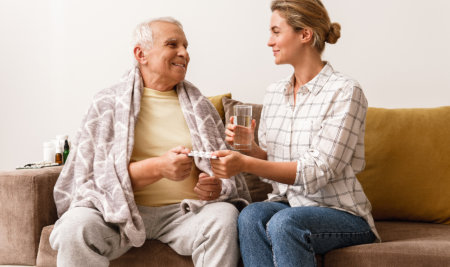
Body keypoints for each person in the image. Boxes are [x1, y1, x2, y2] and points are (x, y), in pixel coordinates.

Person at [49, 17, 250, 267]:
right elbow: (91, 178)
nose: (184, 53)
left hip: (185, 214)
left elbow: (225, 173)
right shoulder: (107, 104)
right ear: (141, 53)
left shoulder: (202, 107)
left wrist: (216, 188)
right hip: (116, 213)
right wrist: (158, 168)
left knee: (224, 216)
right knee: (75, 227)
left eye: (186, 46)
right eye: (172, 44)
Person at [210, 1, 380, 266]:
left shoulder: (345, 91)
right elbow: (273, 159)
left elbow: (318, 170)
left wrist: (245, 163)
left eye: (276, 31)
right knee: (250, 215)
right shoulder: (275, 93)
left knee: (285, 223)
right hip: (289, 204)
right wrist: (250, 149)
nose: (269, 42)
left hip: (340, 212)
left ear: (305, 34)